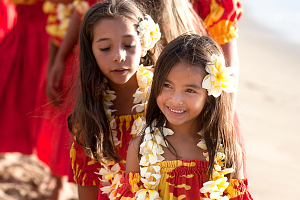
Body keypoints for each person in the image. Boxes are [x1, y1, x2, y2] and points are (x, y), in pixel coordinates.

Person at [114, 34, 252, 200]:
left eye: (190, 90)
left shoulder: (227, 151)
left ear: (210, 94)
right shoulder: (141, 148)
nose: (175, 99)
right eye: (167, 85)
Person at [67, 1, 162, 199]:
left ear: (144, 45)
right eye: (105, 48)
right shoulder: (90, 113)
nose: (119, 56)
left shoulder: (165, 97)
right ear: (91, 52)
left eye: (128, 45)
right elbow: (88, 191)